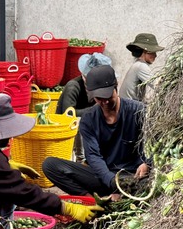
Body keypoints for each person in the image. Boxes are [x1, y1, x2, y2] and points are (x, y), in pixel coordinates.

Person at [0, 92, 104, 223]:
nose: (10, 137)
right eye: (7, 130)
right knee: (8, 195)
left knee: (4, 189)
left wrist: (8, 165)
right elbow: (25, 194)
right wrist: (67, 208)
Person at [42, 65, 151, 198]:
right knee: (50, 165)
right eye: (99, 98)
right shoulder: (88, 119)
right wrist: (112, 182)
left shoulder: (138, 111)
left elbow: (156, 144)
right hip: (104, 176)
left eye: (108, 96)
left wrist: (147, 164)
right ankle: (92, 202)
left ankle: (126, 194)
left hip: (135, 176)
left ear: (116, 87)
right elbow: (94, 156)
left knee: (151, 182)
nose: (104, 102)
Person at [55, 52, 112, 162]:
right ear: (84, 76)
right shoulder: (73, 86)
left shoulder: (100, 87)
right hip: (69, 129)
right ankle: (82, 159)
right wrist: (94, 109)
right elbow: (68, 114)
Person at [119, 33, 165, 103]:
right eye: (152, 52)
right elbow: (157, 86)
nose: (155, 55)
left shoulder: (137, 64)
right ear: (143, 52)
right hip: (129, 106)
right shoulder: (141, 66)